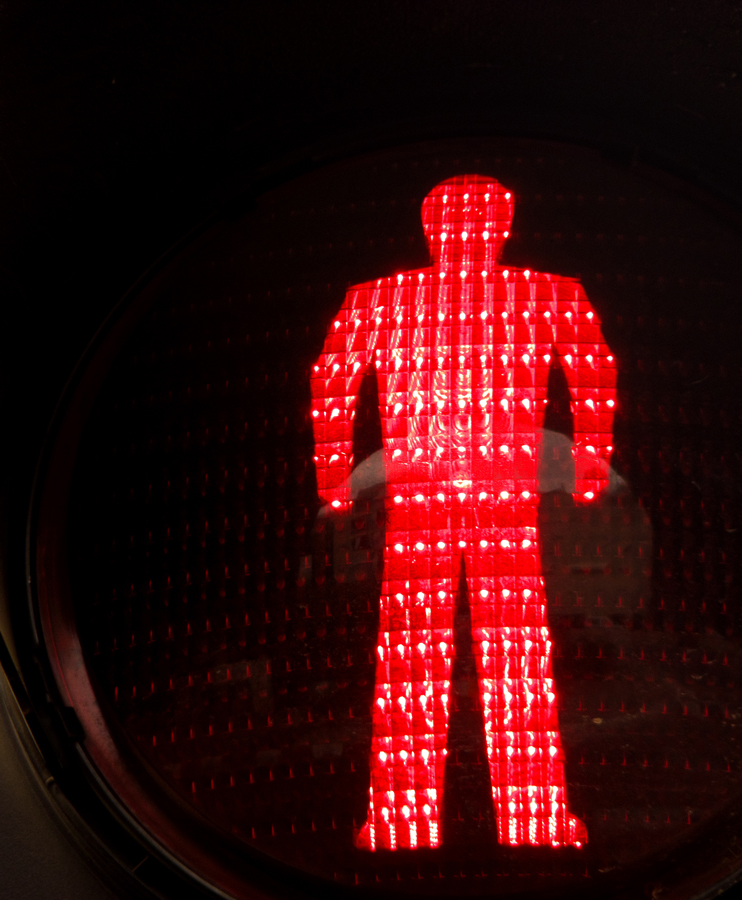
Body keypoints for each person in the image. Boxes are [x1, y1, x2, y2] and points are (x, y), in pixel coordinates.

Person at [310, 174, 617, 850]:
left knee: (419, 663)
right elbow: (593, 371)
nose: (469, 229)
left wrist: (336, 479)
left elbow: (332, 379)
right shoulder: (546, 292)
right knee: (510, 659)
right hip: (492, 499)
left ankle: (405, 822)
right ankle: (526, 820)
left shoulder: (382, 297)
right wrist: (588, 468)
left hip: (436, 502)